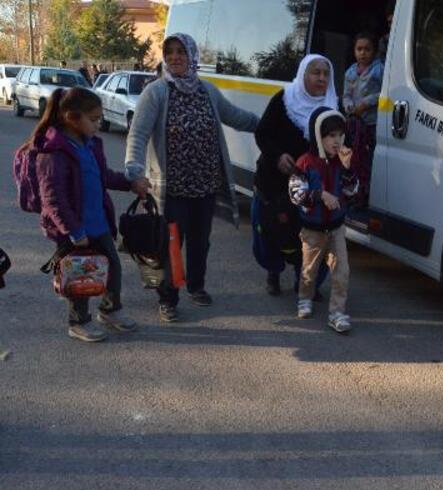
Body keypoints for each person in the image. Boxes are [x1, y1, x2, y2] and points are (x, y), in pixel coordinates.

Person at [125, 33, 259, 323]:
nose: (175, 57)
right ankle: (168, 298)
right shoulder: (156, 92)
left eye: (181, 51)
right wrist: (134, 170)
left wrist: (269, 124)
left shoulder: (207, 90)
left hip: (205, 186)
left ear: (192, 56)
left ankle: (196, 286)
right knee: (170, 244)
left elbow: (236, 117)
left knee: (200, 242)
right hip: (171, 189)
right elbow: (138, 134)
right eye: (170, 52)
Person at [31, 87, 150, 342]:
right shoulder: (53, 153)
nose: (98, 124)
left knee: (112, 268)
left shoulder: (91, 145)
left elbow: (103, 176)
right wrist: (74, 231)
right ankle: (78, 321)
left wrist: (131, 183)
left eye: (99, 118)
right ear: (71, 118)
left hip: (98, 224)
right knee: (80, 276)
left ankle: (110, 310)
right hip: (73, 231)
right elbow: (53, 200)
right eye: (93, 119)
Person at [253, 54, 335, 296]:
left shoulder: (332, 106)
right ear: (303, 74)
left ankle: (306, 281)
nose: (321, 78)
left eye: (326, 73)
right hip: (276, 182)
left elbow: (341, 142)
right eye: (315, 72)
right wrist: (278, 156)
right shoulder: (284, 99)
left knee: (314, 235)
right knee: (273, 233)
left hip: (313, 186)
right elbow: (262, 134)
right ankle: (273, 272)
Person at [289, 107, 359, 334]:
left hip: (336, 228)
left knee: (342, 271)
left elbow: (352, 192)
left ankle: (337, 313)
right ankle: (304, 297)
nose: (337, 141)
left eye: (340, 135)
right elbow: (296, 195)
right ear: (318, 136)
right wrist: (320, 195)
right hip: (313, 230)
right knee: (309, 270)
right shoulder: (305, 163)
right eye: (331, 136)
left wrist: (348, 170)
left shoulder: (342, 162)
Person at [342, 32, 384, 205]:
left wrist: (366, 103)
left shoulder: (379, 69)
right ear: (354, 51)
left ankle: (368, 194)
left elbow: (384, 93)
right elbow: (346, 95)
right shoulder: (350, 72)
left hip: (372, 124)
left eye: (367, 49)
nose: (363, 53)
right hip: (355, 124)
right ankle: (354, 193)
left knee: (370, 161)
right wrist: (349, 107)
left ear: (374, 51)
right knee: (354, 159)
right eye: (359, 49)